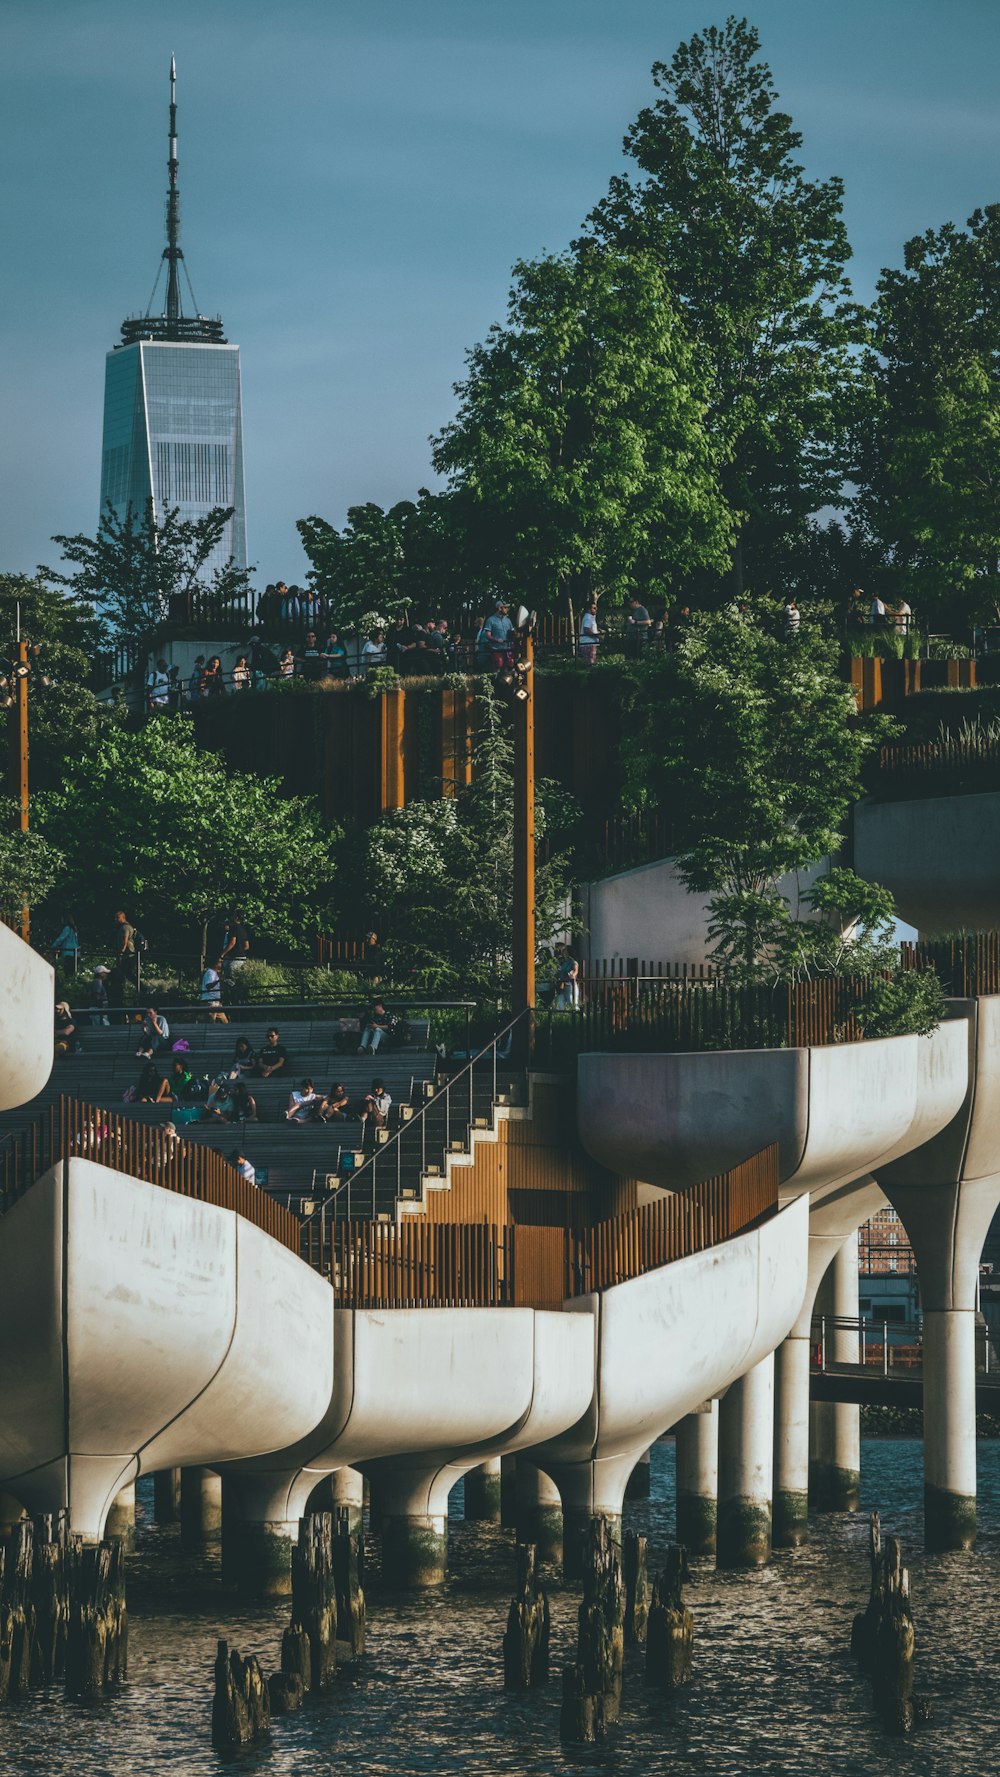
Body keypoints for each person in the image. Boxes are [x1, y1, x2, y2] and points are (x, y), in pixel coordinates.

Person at [221, 914, 251, 979]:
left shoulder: (234, 928)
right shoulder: (243, 930)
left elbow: (232, 942)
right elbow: (247, 946)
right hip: (242, 958)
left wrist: (223, 954)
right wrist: (240, 950)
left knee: (230, 979)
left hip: (234, 959)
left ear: (236, 918)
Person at [200, 957, 228, 1023]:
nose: (221, 964)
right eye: (220, 962)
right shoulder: (210, 973)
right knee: (211, 1022)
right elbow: (208, 986)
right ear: (215, 964)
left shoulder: (215, 973)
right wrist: (218, 981)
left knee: (224, 1021)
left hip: (216, 1002)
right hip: (210, 1002)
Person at [554, 946, 580, 1011]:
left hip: (569, 984)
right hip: (561, 984)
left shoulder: (573, 962)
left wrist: (572, 975)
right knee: (560, 1003)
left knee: (571, 1002)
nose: (563, 952)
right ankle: (561, 1017)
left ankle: (579, 1016)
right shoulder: (563, 962)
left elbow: (575, 970)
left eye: (565, 951)